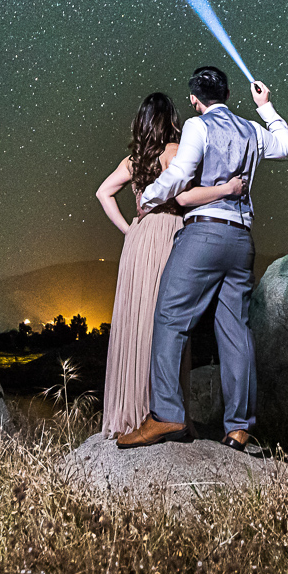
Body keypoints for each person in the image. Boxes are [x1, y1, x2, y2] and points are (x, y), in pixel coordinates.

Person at [116, 67, 288, 452]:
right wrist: (266, 108)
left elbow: (180, 177)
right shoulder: (251, 128)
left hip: (204, 234)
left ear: (196, 100)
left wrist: (148, 198)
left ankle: (167, 416)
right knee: (235, 331)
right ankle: (239, 429)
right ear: (229, 94)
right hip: (242, 240)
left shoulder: (199, 127)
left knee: (169, 316)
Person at [93, 92, 247, 437]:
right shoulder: (174, 152)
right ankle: (167, 414)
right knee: (169, 324)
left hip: (138, 242)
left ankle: (131, 413)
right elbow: (183, 197)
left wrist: (128, 230)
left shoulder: (133, 159)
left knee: (137, 321)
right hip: (171, 237)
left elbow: (104, 193)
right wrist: (227, 188)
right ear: (170, 120)